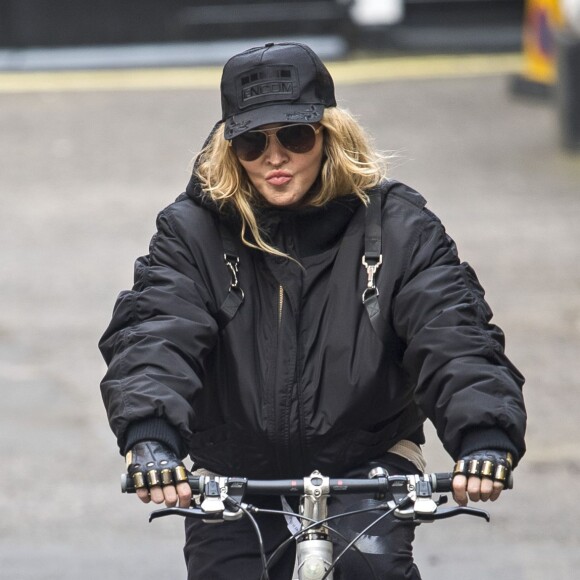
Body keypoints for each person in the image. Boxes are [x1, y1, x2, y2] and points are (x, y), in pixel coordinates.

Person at [99, 42, 527, 579]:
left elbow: (452, 332)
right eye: (253, 143)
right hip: (233, 469)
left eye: (295, 136)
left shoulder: (399, 228)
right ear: (231, 149)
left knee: (373, 570)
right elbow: (156, 332)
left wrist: (483, 435)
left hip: (366, 461)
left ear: (330, 135)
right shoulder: (192, 231)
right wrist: (151, 440)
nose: (274, 158)